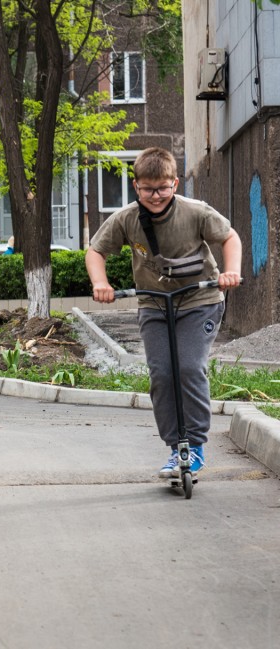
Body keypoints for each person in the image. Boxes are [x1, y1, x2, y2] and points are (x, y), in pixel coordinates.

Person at [85, 147, 242, 479]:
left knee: (187, 367)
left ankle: (195, 446)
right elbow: (96, 251)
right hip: (154, 303)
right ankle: (176, 449)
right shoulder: (127, 218)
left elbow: (229, 237)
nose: (155, 196)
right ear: (136, 185)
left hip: (199, 301)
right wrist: (101, 283)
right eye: (147, 189)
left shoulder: (195, 212)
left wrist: (231, 271)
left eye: (162, 188)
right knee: (161, 374)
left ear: (175, 183)